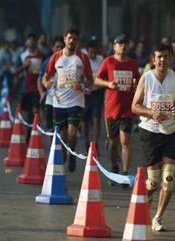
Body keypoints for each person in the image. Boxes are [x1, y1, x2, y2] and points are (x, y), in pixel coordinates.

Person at [132, 44, 175, 231]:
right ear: (153, 59)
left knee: (168, 178)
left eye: (165, 56)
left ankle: (158, 217)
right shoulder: (146, 78)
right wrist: (151, 113)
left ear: (171, 58)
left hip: (170, 132)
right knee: (153, 180)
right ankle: (144, 197)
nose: (162, 60)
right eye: (159, 56)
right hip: (150, 131)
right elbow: (134, 106)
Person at [43, 28, 93, 172]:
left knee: (72, 133)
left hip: (76, 102)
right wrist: (46, 83)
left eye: (75, 39)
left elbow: (90, 79)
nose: (72, 41)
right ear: (65, 39)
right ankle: (65, 158)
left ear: (78, 41)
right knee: (62, 135)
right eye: (69, 38)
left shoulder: (83, 58)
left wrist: (82, 85)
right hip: (58, 102)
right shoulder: (56, 57)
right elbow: (46, 76)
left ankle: (71, 155)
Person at [95, 34, 140, 176]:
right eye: (120, 44)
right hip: (111, 110)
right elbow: (96, 80)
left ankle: (125, 173)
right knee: (113, 143)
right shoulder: (108, 62)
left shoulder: (133, 63)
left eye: (125, 43)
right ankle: (114, 165)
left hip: (127, 109)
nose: (123, 46)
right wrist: (108, 83)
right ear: (114, 46)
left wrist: (135, 87)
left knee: (125, 141)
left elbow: (138, 83)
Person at [16, 33, 45, 139]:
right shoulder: (23, 55)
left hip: (37, 88)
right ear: (27, 42)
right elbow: (16, 71)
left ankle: (35, 135)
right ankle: (29, 134)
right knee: (27, 114)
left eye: (34, 40)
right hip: (26, 87)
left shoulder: (42, 55)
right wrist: (24, 66)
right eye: (30, 40)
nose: (31, 42)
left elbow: (46, 70)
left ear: (36, 42)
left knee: (36, 111)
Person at [37, 36, 65, 135]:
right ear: (52, 48)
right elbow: (40, 79)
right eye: (57, 47)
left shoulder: (69, 62)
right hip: (50, 99)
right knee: (50, 128)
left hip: (65, 100)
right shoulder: (47, 61)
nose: (59, 49)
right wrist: (42, 93)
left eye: (61, 47)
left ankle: (63, 149)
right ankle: (52, 150)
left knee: (62, 128)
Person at [81, 40, 104, 151]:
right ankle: (85, 142)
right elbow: (79, 76)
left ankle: (94, 144)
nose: (93, 55)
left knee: (96, 119)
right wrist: (83, 88)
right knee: (85, 119)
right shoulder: (83, 59)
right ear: (87, 51)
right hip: (85, 93)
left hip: (97, 93)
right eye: (91, 52)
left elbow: (105, 76)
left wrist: (101, 85)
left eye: (95, 52)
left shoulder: (101, 60)